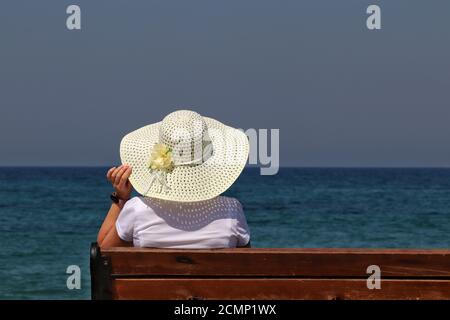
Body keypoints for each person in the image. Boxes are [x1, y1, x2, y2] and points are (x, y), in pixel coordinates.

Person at [97, 110, 251, 249]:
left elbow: (103, 251)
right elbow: (247, 265)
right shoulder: (231, 211)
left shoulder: (137, 210)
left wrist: (120, 199)